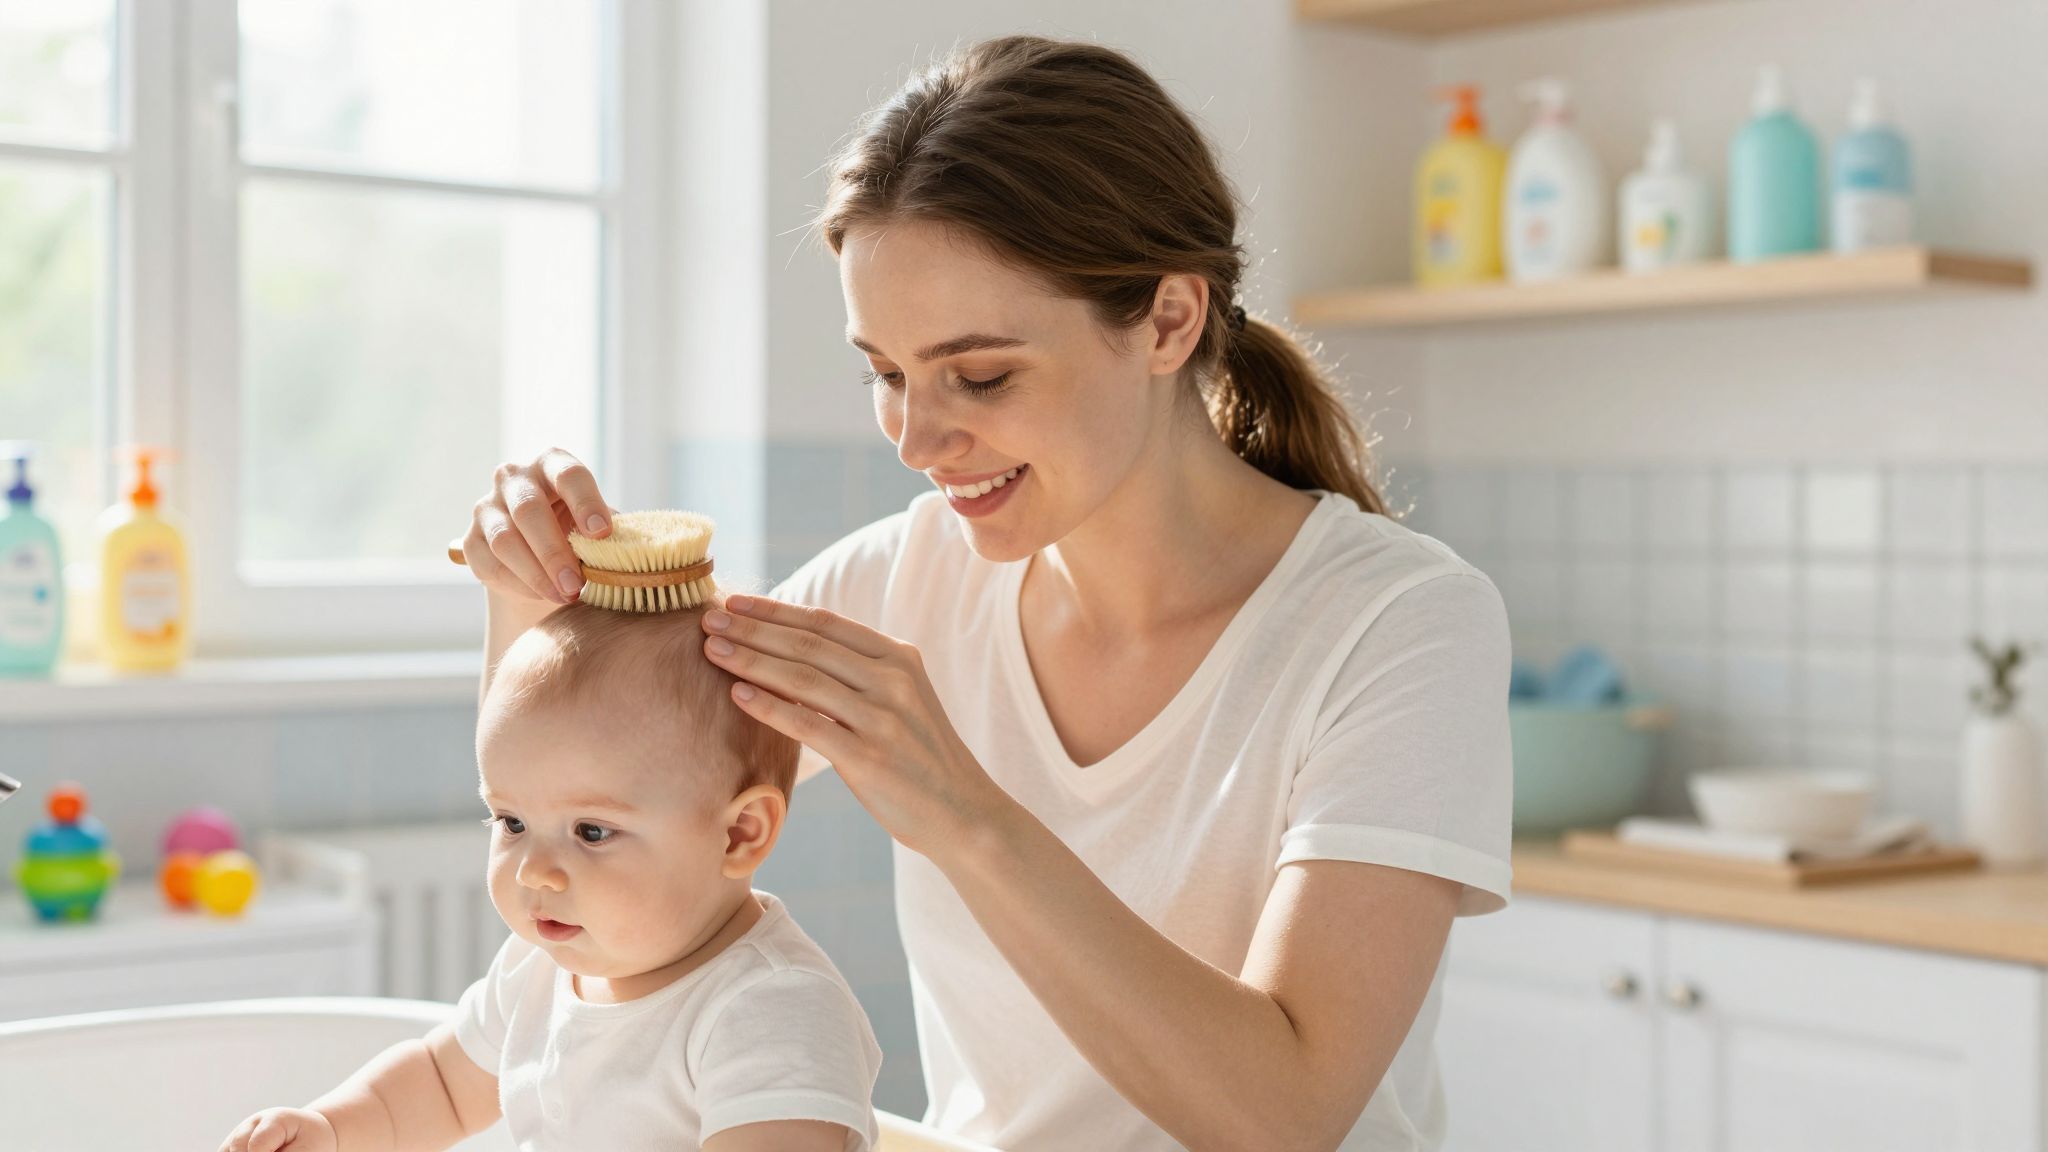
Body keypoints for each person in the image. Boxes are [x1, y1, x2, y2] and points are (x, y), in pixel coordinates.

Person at [463, 34, 1512, 1152]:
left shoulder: (1397, 623)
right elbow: (596, 784)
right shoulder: (903, 575)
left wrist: (965, 816)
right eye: (885, 373)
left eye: (980, 375)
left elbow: (1286, 1113)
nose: (915, 437)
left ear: (1168, 320)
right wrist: (522, 602)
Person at [220, 602, 883, 1152]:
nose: (534, 870)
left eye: (591, 832)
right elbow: (441, 1086)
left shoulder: (769, 1010)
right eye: (510, 822)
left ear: (740, 834)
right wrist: (332, 1128)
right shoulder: (537, 969)